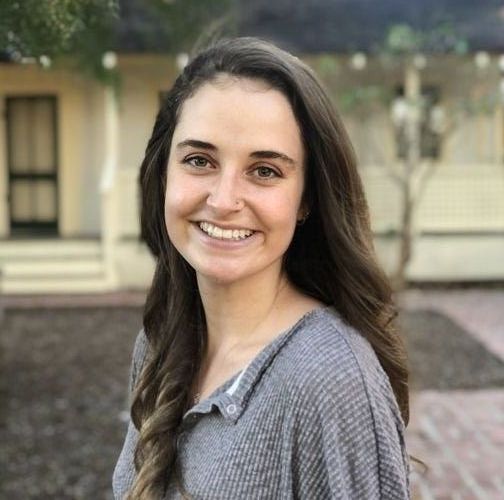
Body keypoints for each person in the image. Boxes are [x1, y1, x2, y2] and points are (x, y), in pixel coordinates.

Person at [113, 37, 411, 499]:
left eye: (265, 170)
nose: (224, 200)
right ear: (164, 172)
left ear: (306, 199)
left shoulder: (331, 379)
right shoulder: (160, 340)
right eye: (199, 160)